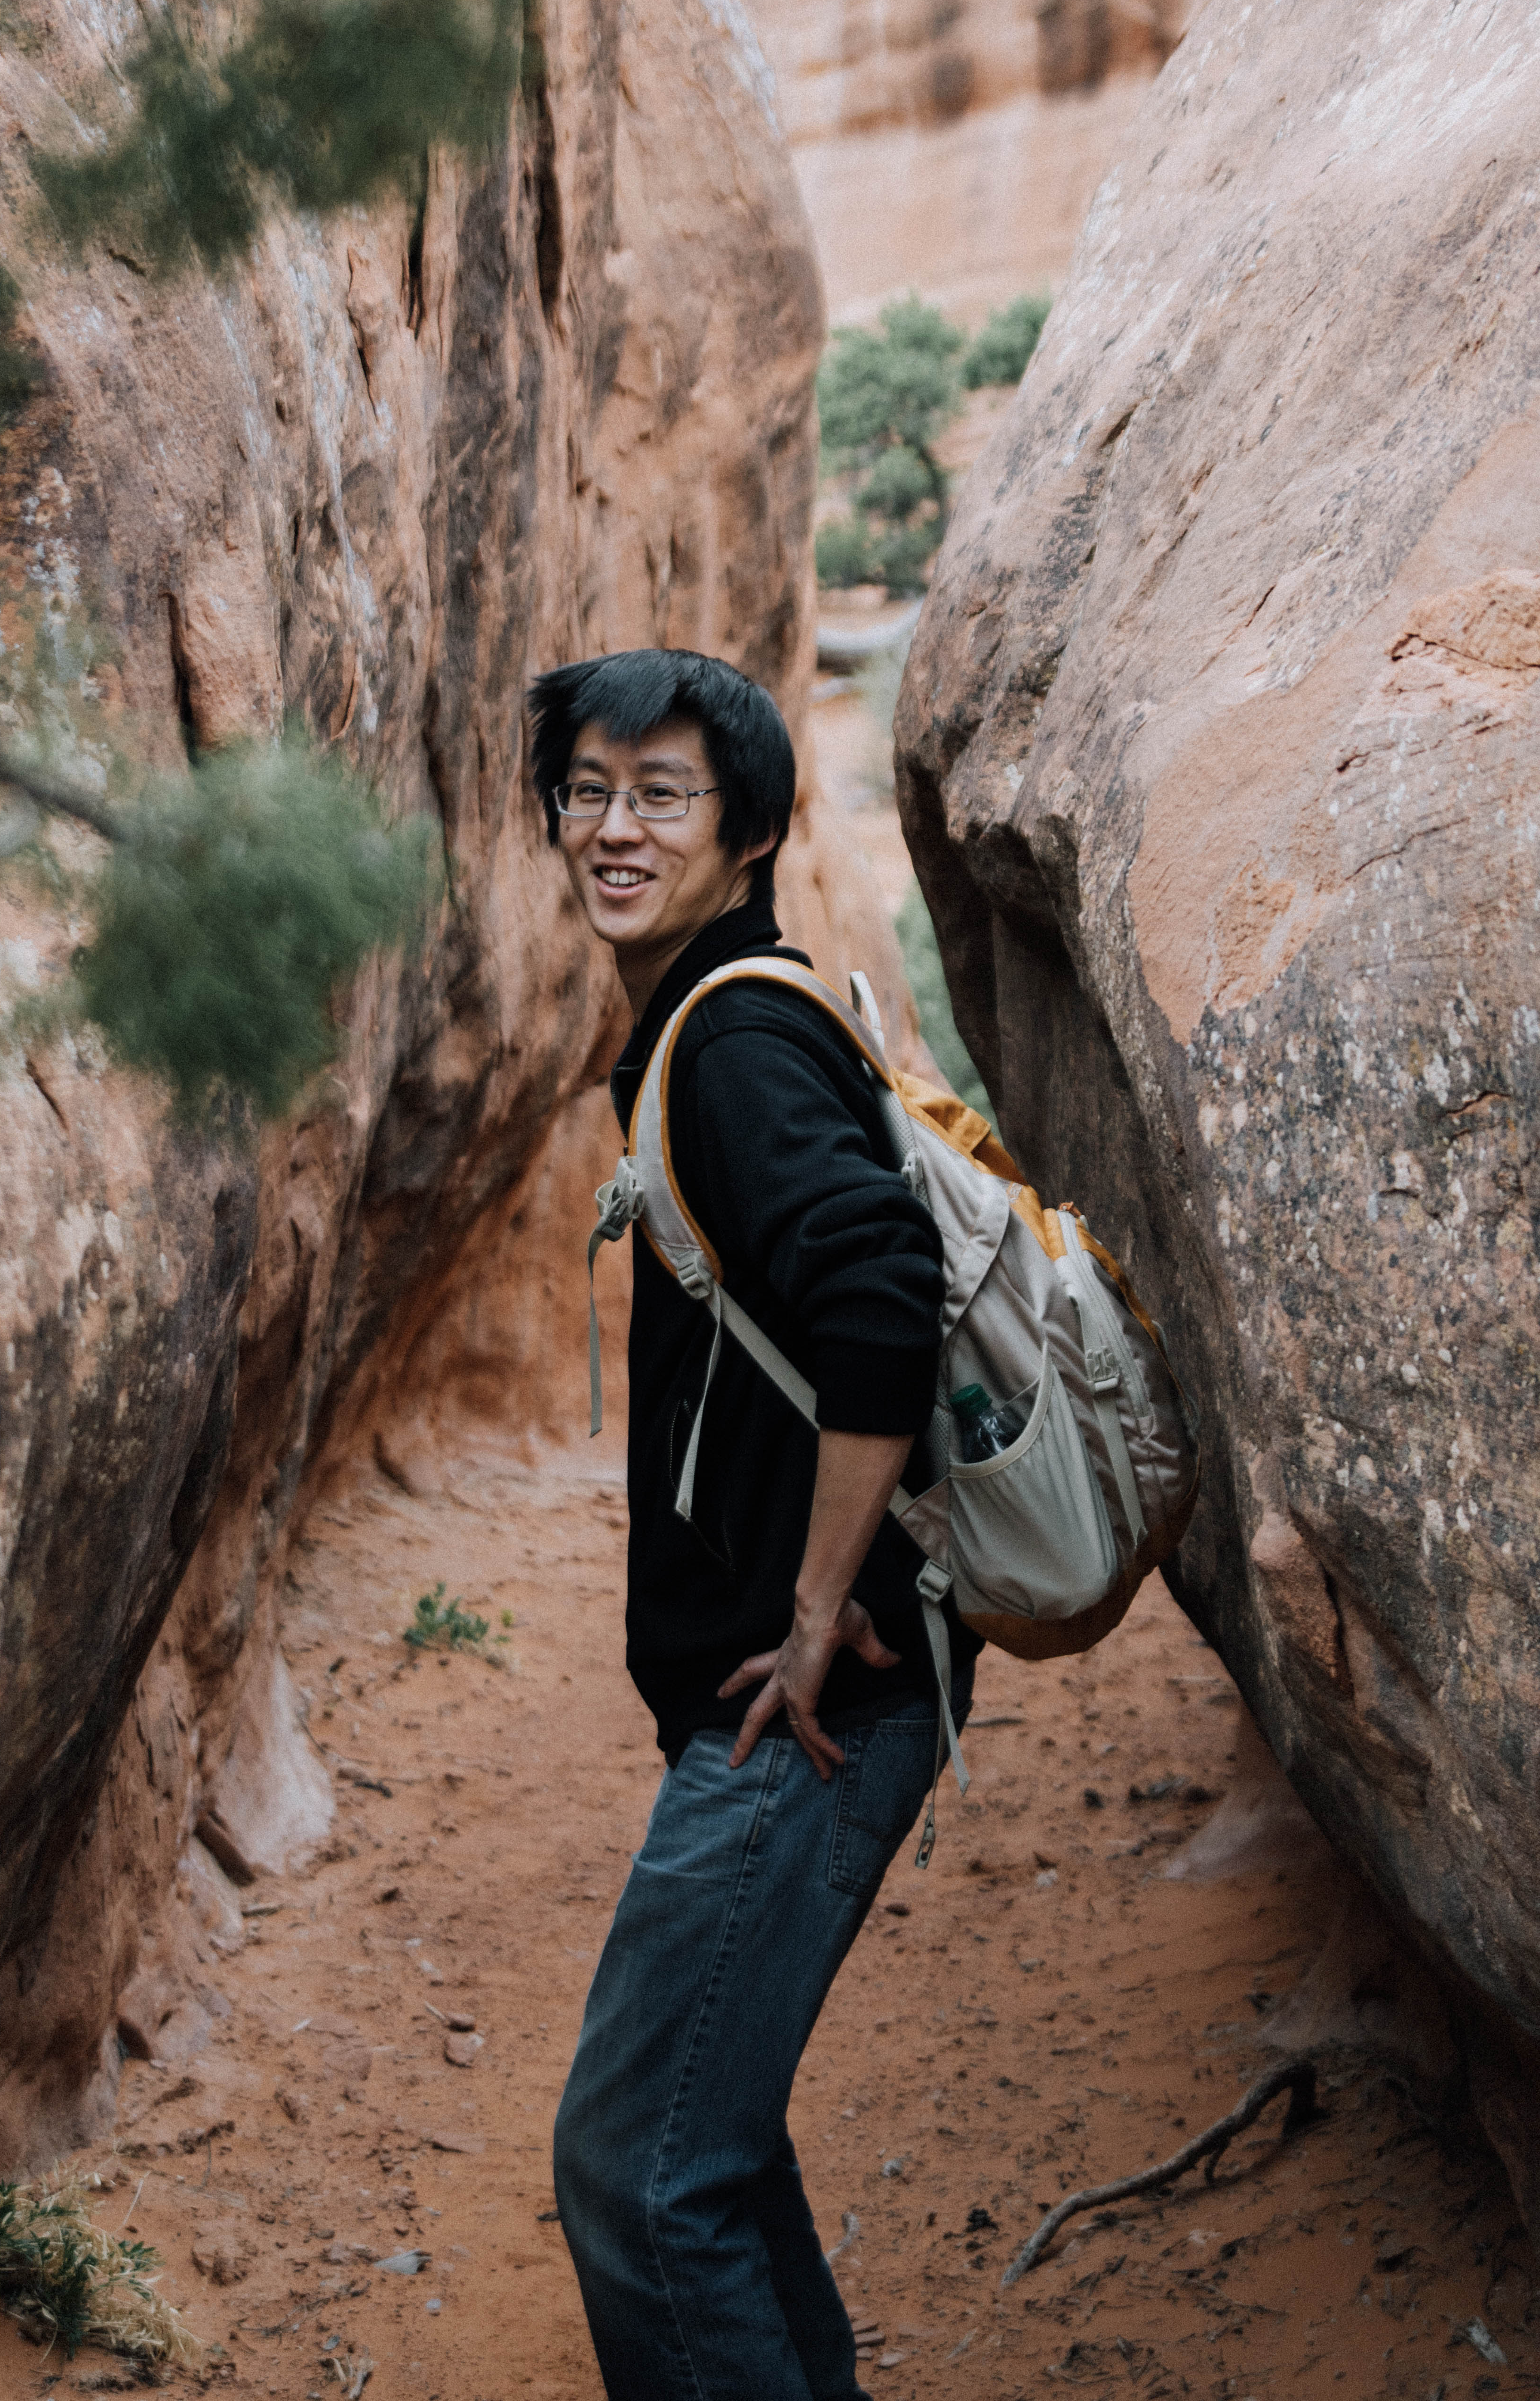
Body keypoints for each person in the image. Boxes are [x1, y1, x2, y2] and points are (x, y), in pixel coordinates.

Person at [534, 648, 981, 2401]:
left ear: (750, 832)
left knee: (637, 2174)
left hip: (814, 1701)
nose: (615, 828)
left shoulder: (730, 1041)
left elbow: (880, 1288)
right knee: (701, 2150)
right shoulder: (711, 1023)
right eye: (588, 790)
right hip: (803, 1695)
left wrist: (811, 1606)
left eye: (664, 795)